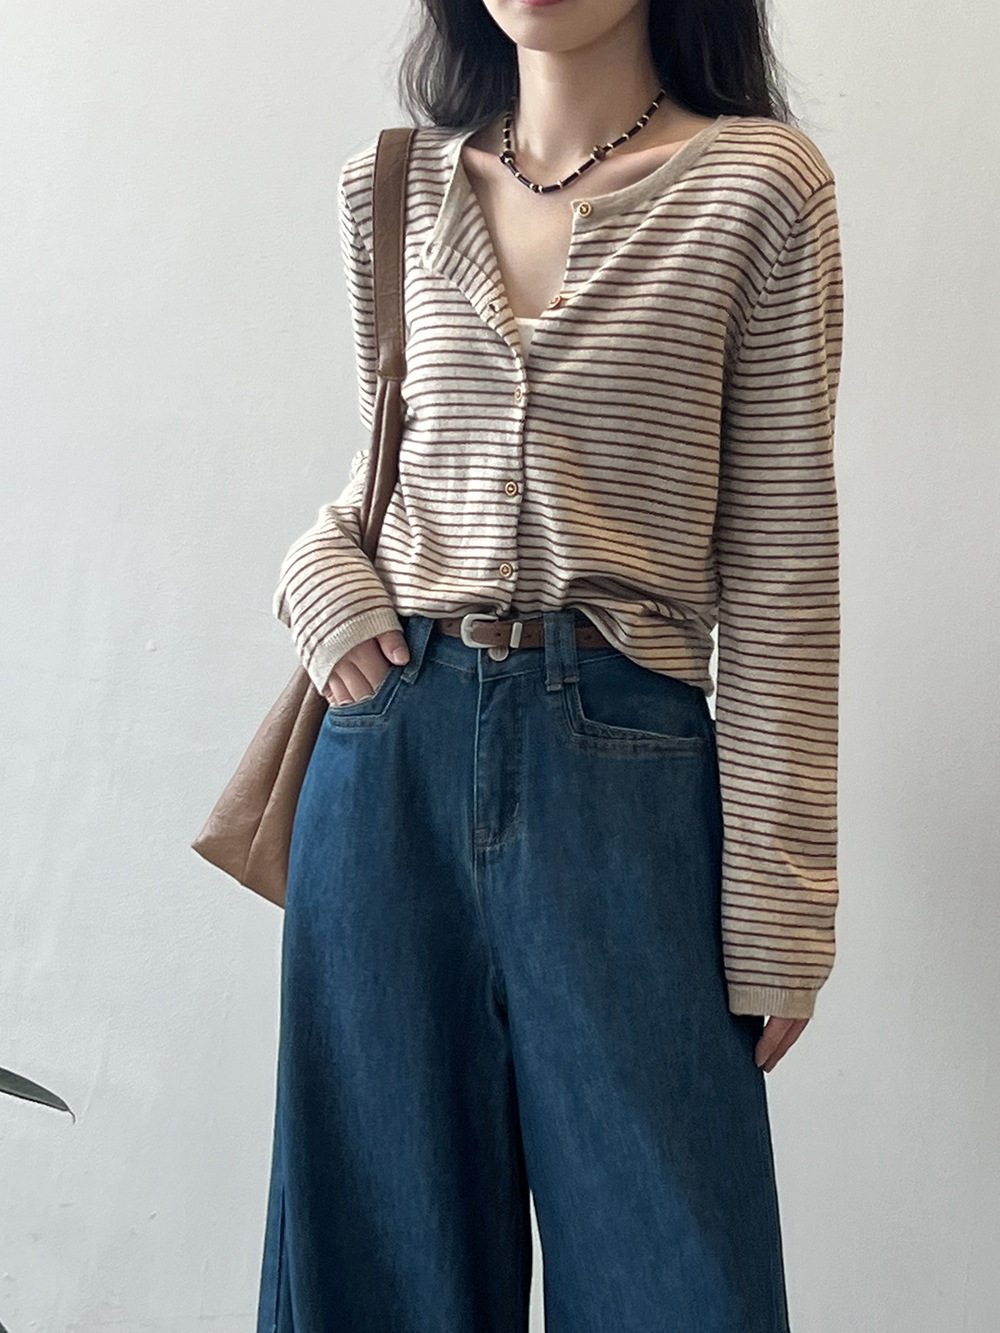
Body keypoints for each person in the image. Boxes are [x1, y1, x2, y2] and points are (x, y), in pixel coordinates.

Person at [257, 0, 844, 1328]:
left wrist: (781, 908)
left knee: (677, 1280)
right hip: (388, 767)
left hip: (626, 778)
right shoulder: (392, 187)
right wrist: (316, 577)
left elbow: (781, 562)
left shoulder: (760, 187)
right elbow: (393, 475)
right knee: (372, 1275)